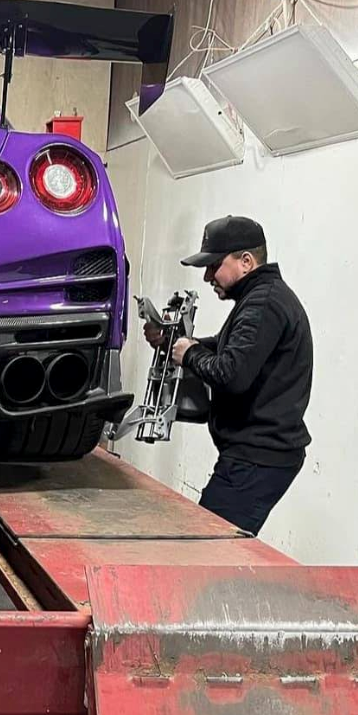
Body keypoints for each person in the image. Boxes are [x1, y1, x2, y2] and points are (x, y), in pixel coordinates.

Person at [144, 215, 313, 535]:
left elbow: (230, 374)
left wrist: (189, 354)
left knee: (207, 546)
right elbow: (228, 348)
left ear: (246, 261)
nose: (208, 276)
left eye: (214, 265)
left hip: (259, 459)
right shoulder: (262, 297)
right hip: (258, 455)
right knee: (211, 544)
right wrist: (172, 343)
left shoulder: (262, 304)